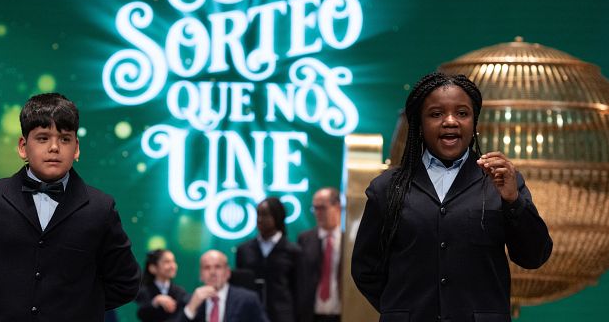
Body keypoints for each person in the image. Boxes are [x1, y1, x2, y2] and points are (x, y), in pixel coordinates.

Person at [0, 93, 141, 321]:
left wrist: (79, 307)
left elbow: (127, 283)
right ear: (23, 146)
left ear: (76, 148)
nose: (54, 147)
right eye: (43, 138)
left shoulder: (100, 208)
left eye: (65, 139)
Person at [351, 72, 553, 322]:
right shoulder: (386, 188)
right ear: (420, 124)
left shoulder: (502, 182)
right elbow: (365, 269)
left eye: (462, 113)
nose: (450, 121)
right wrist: (401, 310)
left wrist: (514, 201)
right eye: (436, 114)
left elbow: (534, 256)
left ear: (474, 122)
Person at [235, 197, 302, 322]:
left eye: (265, 215)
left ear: (277, 217)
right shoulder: (244, 250)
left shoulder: (293, 251)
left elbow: (299, 291)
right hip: (250, 315)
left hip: (282, 316)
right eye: (258, 214)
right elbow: (240, 288)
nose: (260, 219)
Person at [178, 249, 268, 322]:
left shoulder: (248, 299)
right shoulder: (189, 301)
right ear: (201, 275)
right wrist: (191, 308)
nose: (212, 272)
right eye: (207, 267)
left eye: (218, 267)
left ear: (228, 272)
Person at [297, 187, 342, 322]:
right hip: (312, 314)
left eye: (322, 208)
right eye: (315, 208)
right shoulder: (305, 239)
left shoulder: (349, 240)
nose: (318, 213)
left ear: (337, 207)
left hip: (342, 313)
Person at [137, 249, 188, 322]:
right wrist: (155, 302)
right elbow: (141, 313)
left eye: (173, 261)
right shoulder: (143, 291)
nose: (173, 266)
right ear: (153, 268)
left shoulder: (180, 291)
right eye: (167, 262)